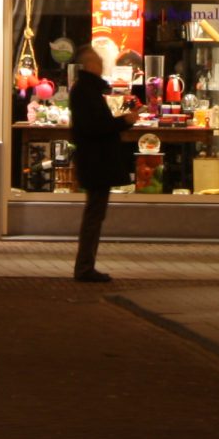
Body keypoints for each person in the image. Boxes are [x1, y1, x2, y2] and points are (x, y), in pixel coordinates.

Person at [67, 46, 136, 283]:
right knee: (94, 215)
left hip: (94, 160)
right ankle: (84, 267)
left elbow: (93, 124)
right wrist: (123, 122)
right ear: (90, 65)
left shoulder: (87, 90)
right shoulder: (86, 91)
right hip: (96, 161)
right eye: (98, 61)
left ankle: (86, 265)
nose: (101, 65)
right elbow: (95, 126)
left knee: (95, 213)